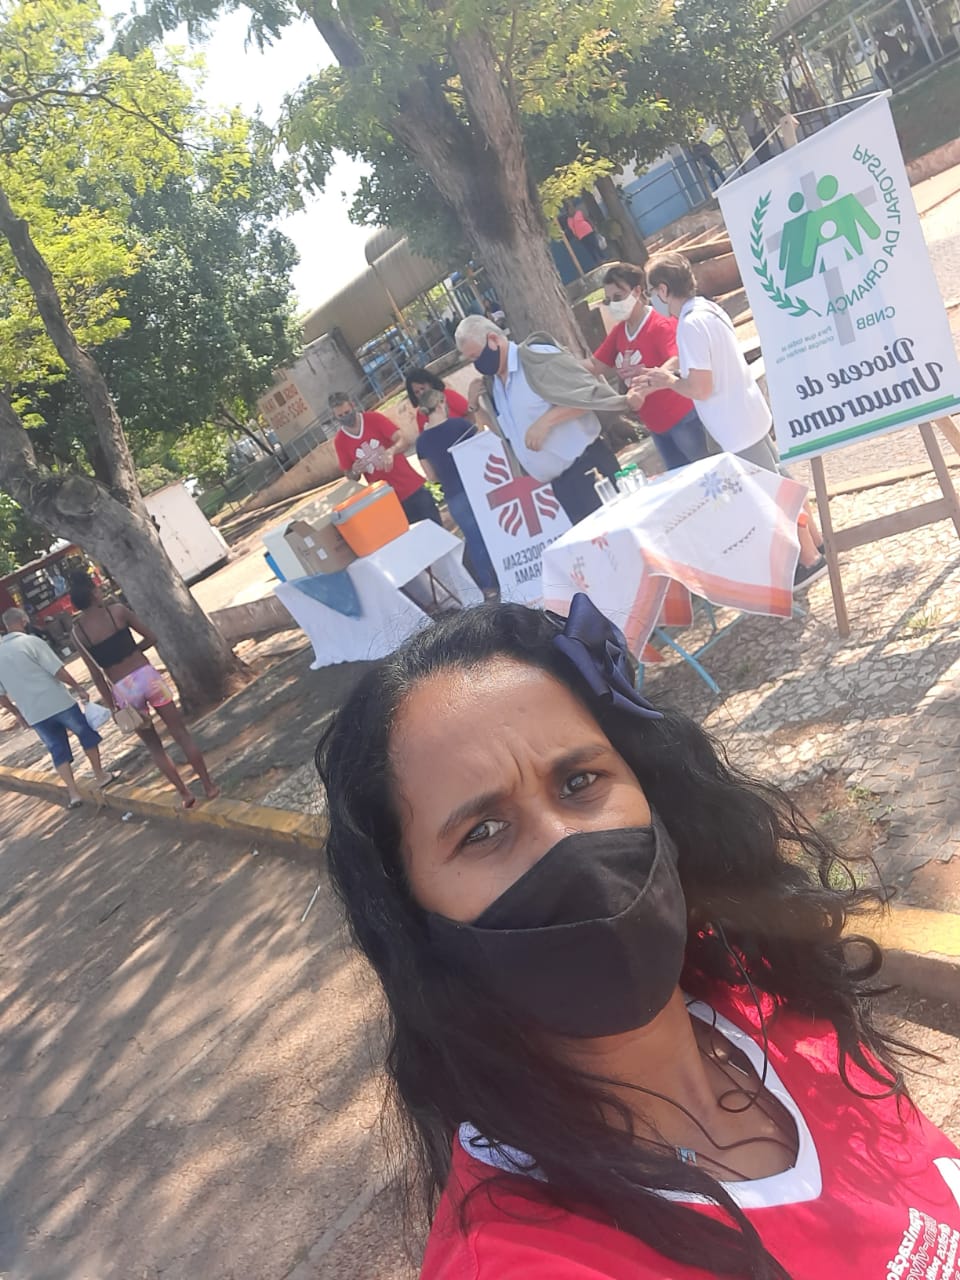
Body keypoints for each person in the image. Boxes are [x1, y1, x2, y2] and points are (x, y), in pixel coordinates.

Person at [316, 594, 960, 1280]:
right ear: (414, 919)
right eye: (484, 831)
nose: (567, 841)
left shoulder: (765, 995)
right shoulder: (526, 1261)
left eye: (580, 780)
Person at [636, 252, 826, 589]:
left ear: (663, 290)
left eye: (652, 292)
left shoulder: (690, 324)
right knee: (782, 482)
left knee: (772, 495)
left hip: (734, 424)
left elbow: (700, 387)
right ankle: (817, 541)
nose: (652, 299)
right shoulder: (708, 309)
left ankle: (809, 558)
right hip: (747, 410)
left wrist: (668, 382)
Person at [455, 315, 625, 525]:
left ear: (493, 339)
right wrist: (475, 406)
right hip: (561, 487)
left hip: (590, 469)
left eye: (476, 356)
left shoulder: (538, 357)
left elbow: (590, 396)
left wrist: (546, 421)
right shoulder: (495, 385)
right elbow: (506, 433)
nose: (477, 364)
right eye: (471, 360)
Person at [69, 573, 218, 809]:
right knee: (180, 733)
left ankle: (185, 793)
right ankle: (209, 786)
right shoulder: (117, 612)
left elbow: (96, 674)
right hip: (146, 676)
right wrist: (134, 650)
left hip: (123, 690)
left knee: (154, 746)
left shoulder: (79, 634)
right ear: (94, 594)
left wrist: (113, 706)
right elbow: (151, 637)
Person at [586, 264, 709, 471]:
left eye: (618, 297)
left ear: (636, 291)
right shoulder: (620, 332)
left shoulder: (659, 324)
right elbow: (594, 365)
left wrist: (644, 387)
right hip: (656, 428)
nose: (613, 304)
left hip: (682, 418)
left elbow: (676, 359)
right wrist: (557, 364)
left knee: (709, 473)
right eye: (609, 300)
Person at [0, 606, 119, 807]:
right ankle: (100, 775)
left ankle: (73, 793)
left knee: (57, 749)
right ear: (23, 621)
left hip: (33, 712)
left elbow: (1, 696)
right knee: (85, 734)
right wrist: (78, 687)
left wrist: (17, 713)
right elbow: (57, 670)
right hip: (57, 701)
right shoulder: (31, 642)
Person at [415, 389, 498, 597]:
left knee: (474, 540)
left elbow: (431, 476)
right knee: (495, 531)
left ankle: (488, 586)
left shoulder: (421, 442)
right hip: (477, 487)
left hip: (453, 495)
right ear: (441, 404)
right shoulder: (459, 425)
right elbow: (481, 444)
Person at [329, 391, 442, 526]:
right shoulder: (340, 441)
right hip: (386, 497)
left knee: (436, 527)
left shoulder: (373, 419)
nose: (345, 418)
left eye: (347, 412)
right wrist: (355, 470)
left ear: (353, 406)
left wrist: (391, 451)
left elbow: (402, 439)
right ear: (335, 417)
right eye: (340, 416)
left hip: (411, 486)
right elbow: (350, 474)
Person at [404, 368, 472, 434]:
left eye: (422, 388)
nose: (421, 393)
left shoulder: (448, 395)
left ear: (431, 384)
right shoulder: (421, 414)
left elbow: (471, 413)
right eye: (417, 392)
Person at [565, 200, 605, 269]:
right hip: (581, 236)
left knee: (595, 245)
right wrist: (576, 236)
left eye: (572, 208)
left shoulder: (579, 213)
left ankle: (603, 258)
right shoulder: (569, 220)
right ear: (567, 211)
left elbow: (587, 219)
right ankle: (597, 261)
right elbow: (572, 229)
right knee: (590, 249)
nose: (572, 210)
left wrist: (593, 227)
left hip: (588, 231)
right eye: (570, 209)